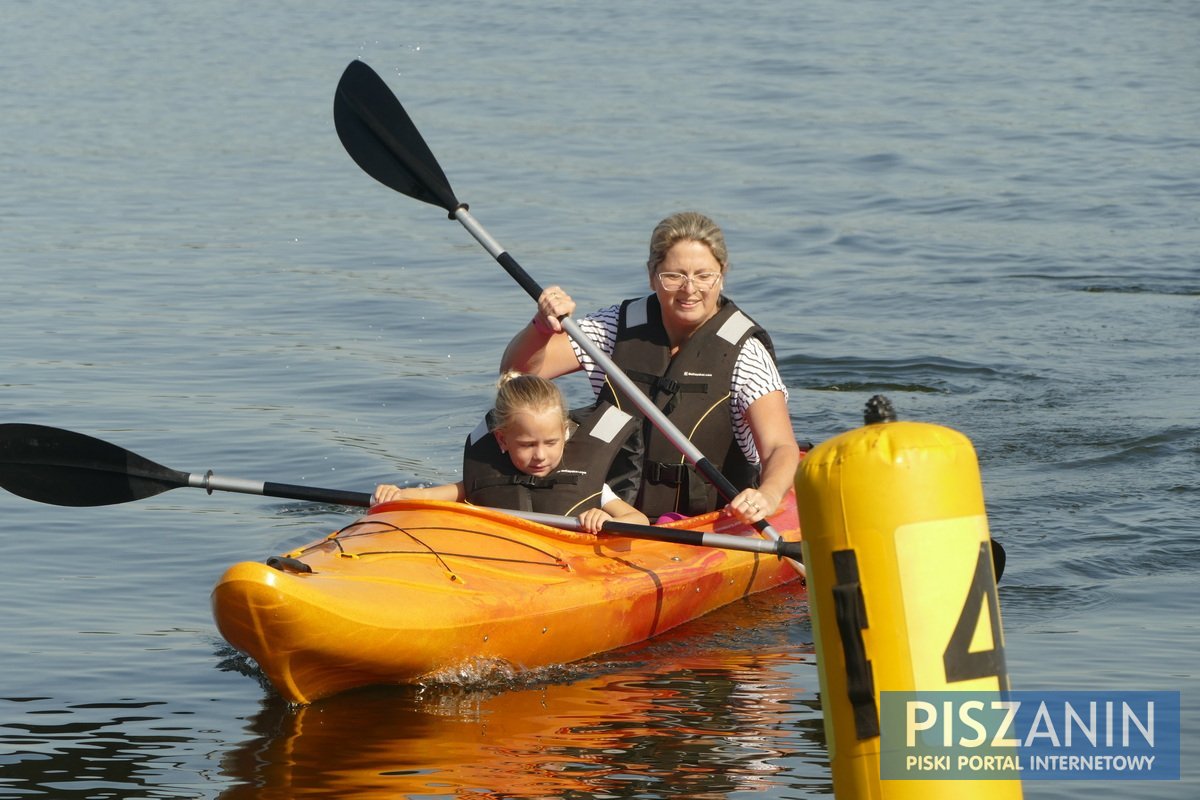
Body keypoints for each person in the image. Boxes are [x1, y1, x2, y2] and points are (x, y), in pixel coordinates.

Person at [500, 211, 800, 525]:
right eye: (674, 276)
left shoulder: (745, 354)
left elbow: (780, 446)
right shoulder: (617, 327)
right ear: (652, 274)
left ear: (722, 274)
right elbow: (518, 373)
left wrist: (766, 495)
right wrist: (541, 327)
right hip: (604, 514)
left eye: (703, 275)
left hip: (704, 521)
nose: (689, 289)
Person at [373, 371, 649, 534]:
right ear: (502, 440)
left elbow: (639, 520)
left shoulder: (591, 485)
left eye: (551, 443)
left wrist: (605, 518)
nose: (540, 455)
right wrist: (395, 495)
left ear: (564, 434)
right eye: (528, 445)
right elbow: (426, 497)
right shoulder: (480, 481)